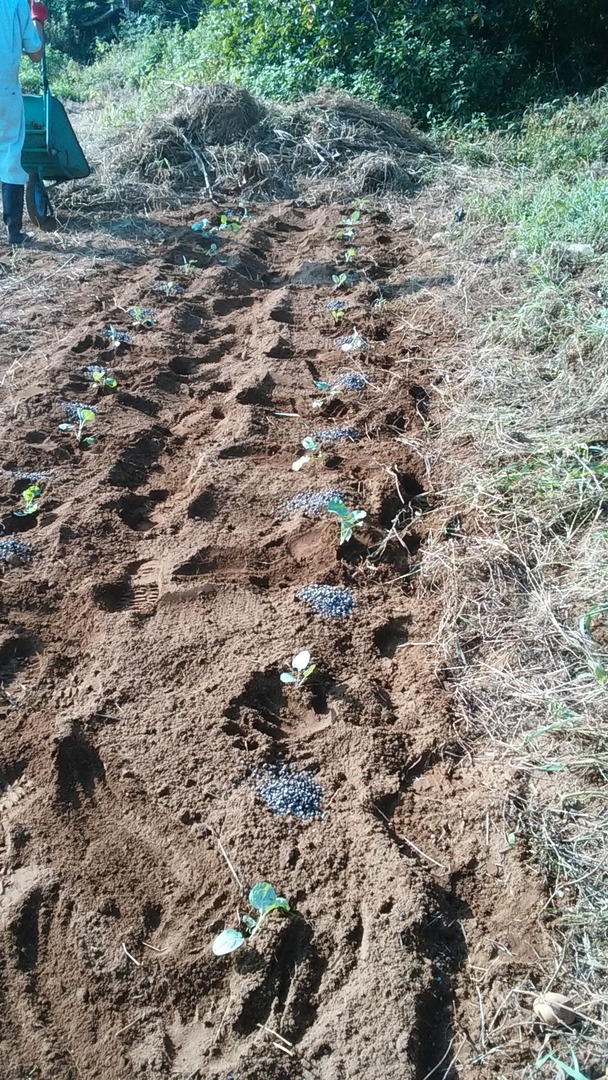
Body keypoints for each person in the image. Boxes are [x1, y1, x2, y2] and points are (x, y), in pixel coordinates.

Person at [0, 0, 47, 245]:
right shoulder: (15, 3)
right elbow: (36, 54)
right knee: (9, 155)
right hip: (4, 93)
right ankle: (14, 233)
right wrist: (37, 17)